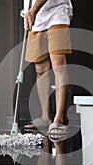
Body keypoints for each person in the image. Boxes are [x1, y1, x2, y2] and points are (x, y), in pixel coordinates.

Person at [23, 0, 73, 137]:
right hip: (36, 18)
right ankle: (46, 117)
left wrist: (33, 10)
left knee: (58, 66)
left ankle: (59, 119)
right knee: (40, 69)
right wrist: (29, 12)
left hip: (57, 12)